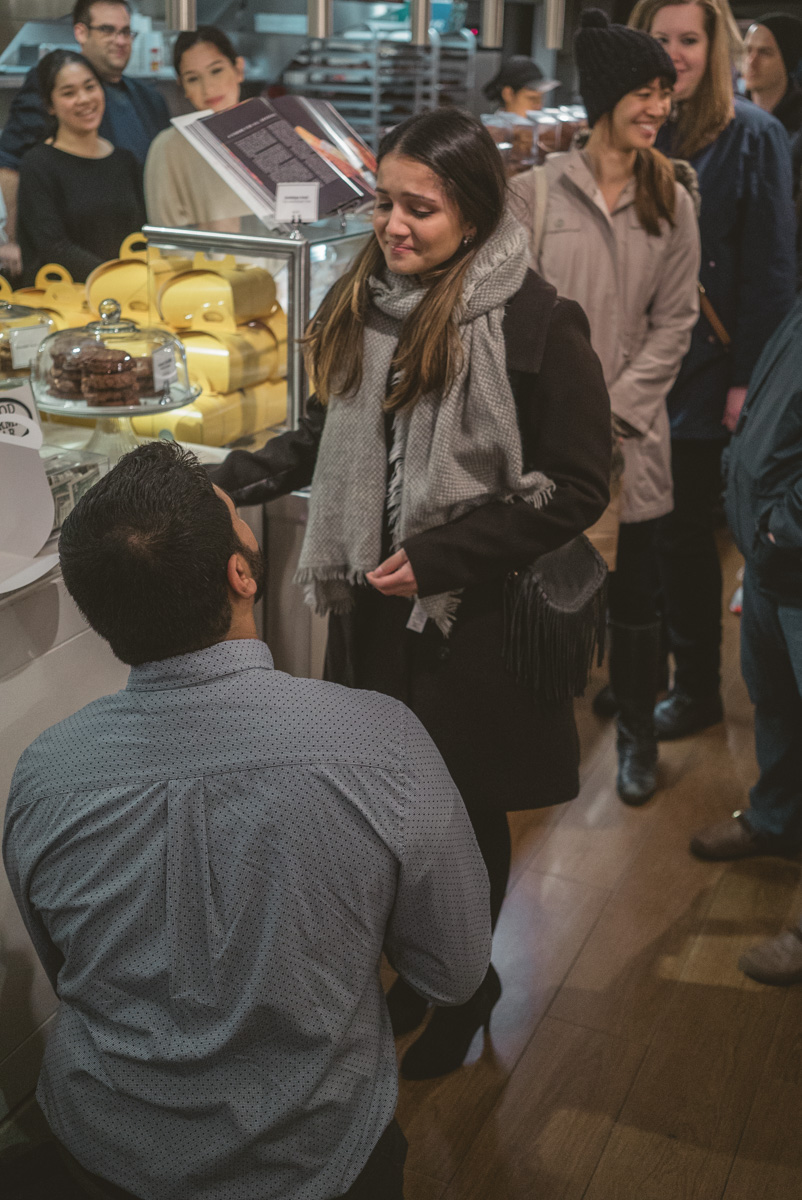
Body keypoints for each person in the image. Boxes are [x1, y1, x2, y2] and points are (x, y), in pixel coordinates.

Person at [210, 108, 611, 1079]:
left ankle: (467, 985)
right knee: (389, 806)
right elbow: (330, 433)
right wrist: (241, 472)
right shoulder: (368, 297)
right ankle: (421, 968)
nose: (391, 225)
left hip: (468, 620)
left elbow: (580, 483)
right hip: (378, 610)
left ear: (472, 214)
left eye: (418, 209)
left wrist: (445, 555)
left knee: (462, 812)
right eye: (383, 201)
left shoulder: (534, 319)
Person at [2, 439, 492, 1200]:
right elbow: (455, 972)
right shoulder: (381, 742)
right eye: (233, 514)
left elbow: (67, 971)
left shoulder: (43, 773)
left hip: (100, 1158)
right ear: (240, 572)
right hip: (314, 1164)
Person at [509, 9, 700, 804]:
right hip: (547, 444)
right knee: (541, 593)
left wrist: (616, 413)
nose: (658, 106)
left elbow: (676, 321)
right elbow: (514, 319)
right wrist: (572, 419)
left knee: (635, 601)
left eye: (665, 94)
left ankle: (637, 742)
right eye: (644, 92)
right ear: (606, 98)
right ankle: (530, 742)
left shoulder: (673, 199)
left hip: (634, 438)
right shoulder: (533, 194)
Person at [629, 0, 797, 740]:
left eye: (689, 40)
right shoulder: (635, 126)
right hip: (637, 369)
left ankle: (694, 685)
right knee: (642, 531)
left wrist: (744, 383)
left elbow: (769, 268)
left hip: (708, 373)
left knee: (685, 533)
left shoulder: (753, 135)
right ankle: (647, 667)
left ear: (714, 43)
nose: (674, 55)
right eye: (660, 39)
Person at [686, 296, 802, 985]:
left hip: (786, 547)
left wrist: (781, 526)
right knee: (776, 701)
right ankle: (776, 818)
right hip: (772, 560)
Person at [0, 1, 168, 258]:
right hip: (73, 251)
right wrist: (14, 241)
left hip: (136, 244)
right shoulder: (46, 84)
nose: (120, 40)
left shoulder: (150, 98)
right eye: (107, 30)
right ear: (81, 32)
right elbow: (10, 164)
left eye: (125, 32)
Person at [16, 50, 146, 284]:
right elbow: (54, 247)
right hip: (64, 301)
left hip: (127, 297)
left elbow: (141, 235)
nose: (84, 99)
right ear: (50, 105)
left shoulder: (125, 161)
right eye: (69, 92)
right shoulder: (38, 165)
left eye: (90, 87)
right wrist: (115, 279)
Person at [145, 26, 252, 231]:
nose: (208, 88)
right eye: (193, 78)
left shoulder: (272, 133)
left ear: (239, 69)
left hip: (279, 262)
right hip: (205, 263)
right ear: (182, 86)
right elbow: (169, 241)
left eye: (216, 71)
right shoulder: (168, 147)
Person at [743, 12, 802, 189]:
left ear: (787, 59)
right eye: (747, 50)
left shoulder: (797, 128)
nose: (751, 62)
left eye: (765, 52)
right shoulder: (729, 115)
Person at [483, 55, 557, 115]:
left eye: (541, 98)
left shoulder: (542, 131)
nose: (539, 106)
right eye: (532, 99)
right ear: (508, 94)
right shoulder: (492, 132)